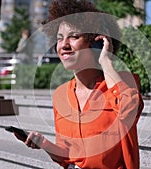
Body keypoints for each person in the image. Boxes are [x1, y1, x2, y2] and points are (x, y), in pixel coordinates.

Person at [12, 0, 144, 168]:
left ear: (95, 42)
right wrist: (43, 143)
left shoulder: (123, 83)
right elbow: (67, 155)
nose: (64, 45)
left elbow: (129, 109)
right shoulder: (61, 95)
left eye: (74, 36)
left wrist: (106, 61)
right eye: (59, 39)